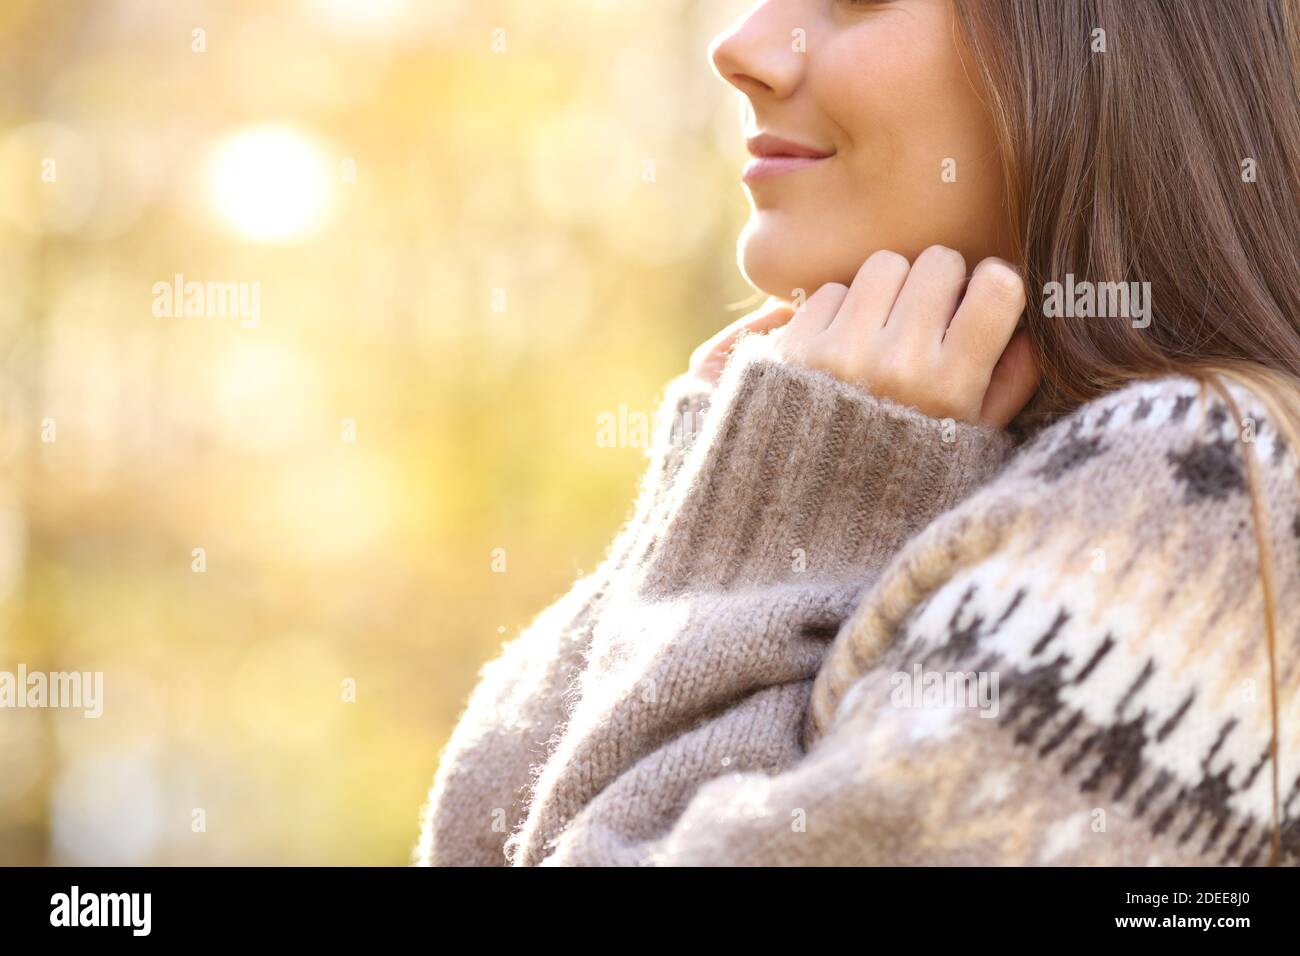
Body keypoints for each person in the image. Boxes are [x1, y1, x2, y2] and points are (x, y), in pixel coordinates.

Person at [417, 0, 1300, 866]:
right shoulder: (1008, 459)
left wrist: (776, 529)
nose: (741, 47)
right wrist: (741, 482)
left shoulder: (1201, 491)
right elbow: (485, 839)